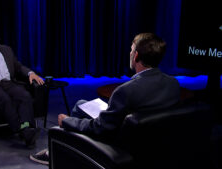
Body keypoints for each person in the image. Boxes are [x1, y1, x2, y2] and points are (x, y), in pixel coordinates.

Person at [29, 33, 180, 165]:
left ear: (136, 56)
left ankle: (57, 151)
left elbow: (100, 128)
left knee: (70, 118)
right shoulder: (173, 84)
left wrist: (68, 121)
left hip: (120, 144)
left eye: (131, 49)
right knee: (81, 104)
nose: (130, 53)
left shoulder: (125, 91)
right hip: (151, 142)